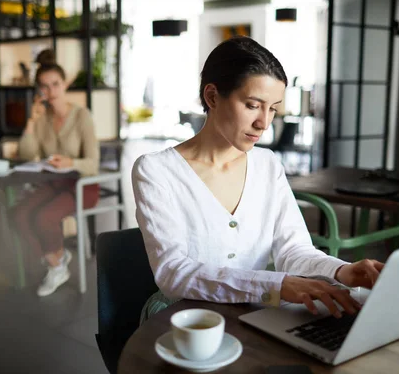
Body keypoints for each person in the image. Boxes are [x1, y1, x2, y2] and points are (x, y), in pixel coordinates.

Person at [132, 37, 384, 322]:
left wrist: (342, 271)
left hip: (252, 313)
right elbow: (173, 273)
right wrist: (277, 285)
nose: (264, 123)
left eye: (273, 108)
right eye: (253, 105)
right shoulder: (155, 170)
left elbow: (293, 249)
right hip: (183, 318)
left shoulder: (267, 164)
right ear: (212, 96)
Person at [13, 63, 100, 297]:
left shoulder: (82, 115)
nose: (50, 91)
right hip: (54, 183)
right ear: (39, 90)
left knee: (44, 217)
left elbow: (93, 162)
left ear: (64, 85)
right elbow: (27, 155)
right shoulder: (42, 118)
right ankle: (56, 260)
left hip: (83, 185)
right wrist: (31, 121)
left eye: (55, 84)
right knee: (19, 214)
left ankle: (56, 263)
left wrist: (71, 163)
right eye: (44, 86)